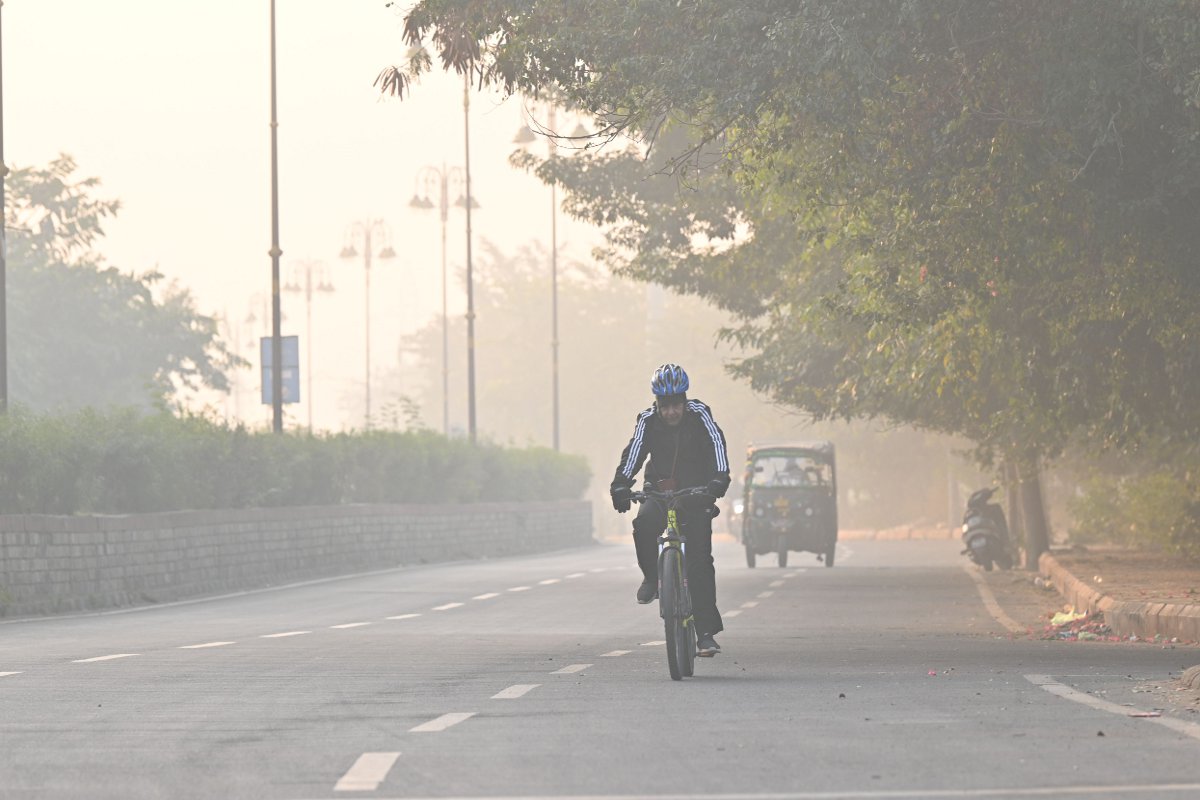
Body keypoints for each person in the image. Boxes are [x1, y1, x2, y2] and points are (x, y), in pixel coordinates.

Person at [610, 363, 731, 657]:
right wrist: (621, 485)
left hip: (696, 491)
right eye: (665, 406)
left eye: (677, 404)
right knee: (644, 525)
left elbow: (717, 445)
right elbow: (635, 451)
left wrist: (719, 479)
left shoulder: (700, 414)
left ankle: (704, 633)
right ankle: (653, 577)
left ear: (684, 400)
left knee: (700, 562)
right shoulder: (648, 420)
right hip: (660, 489)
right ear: (657, 404)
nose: (671, 412)